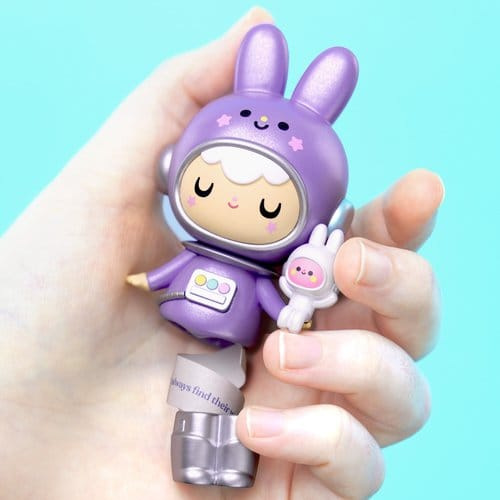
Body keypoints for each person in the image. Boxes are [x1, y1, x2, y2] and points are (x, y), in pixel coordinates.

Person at [0, 7, 443, 499]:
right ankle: (203, 462)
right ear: (172, 170)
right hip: (194, 339)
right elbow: (168, 272)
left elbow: (271, 303)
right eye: (207, 187)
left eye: (269, 206)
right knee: (205, 406)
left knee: (224, 408)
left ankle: (226, 468)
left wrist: (295, 316)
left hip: (234, 349)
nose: (232, 204)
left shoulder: (262, 279)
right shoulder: (193, 257)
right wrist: (141, 281)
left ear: (327, 222)